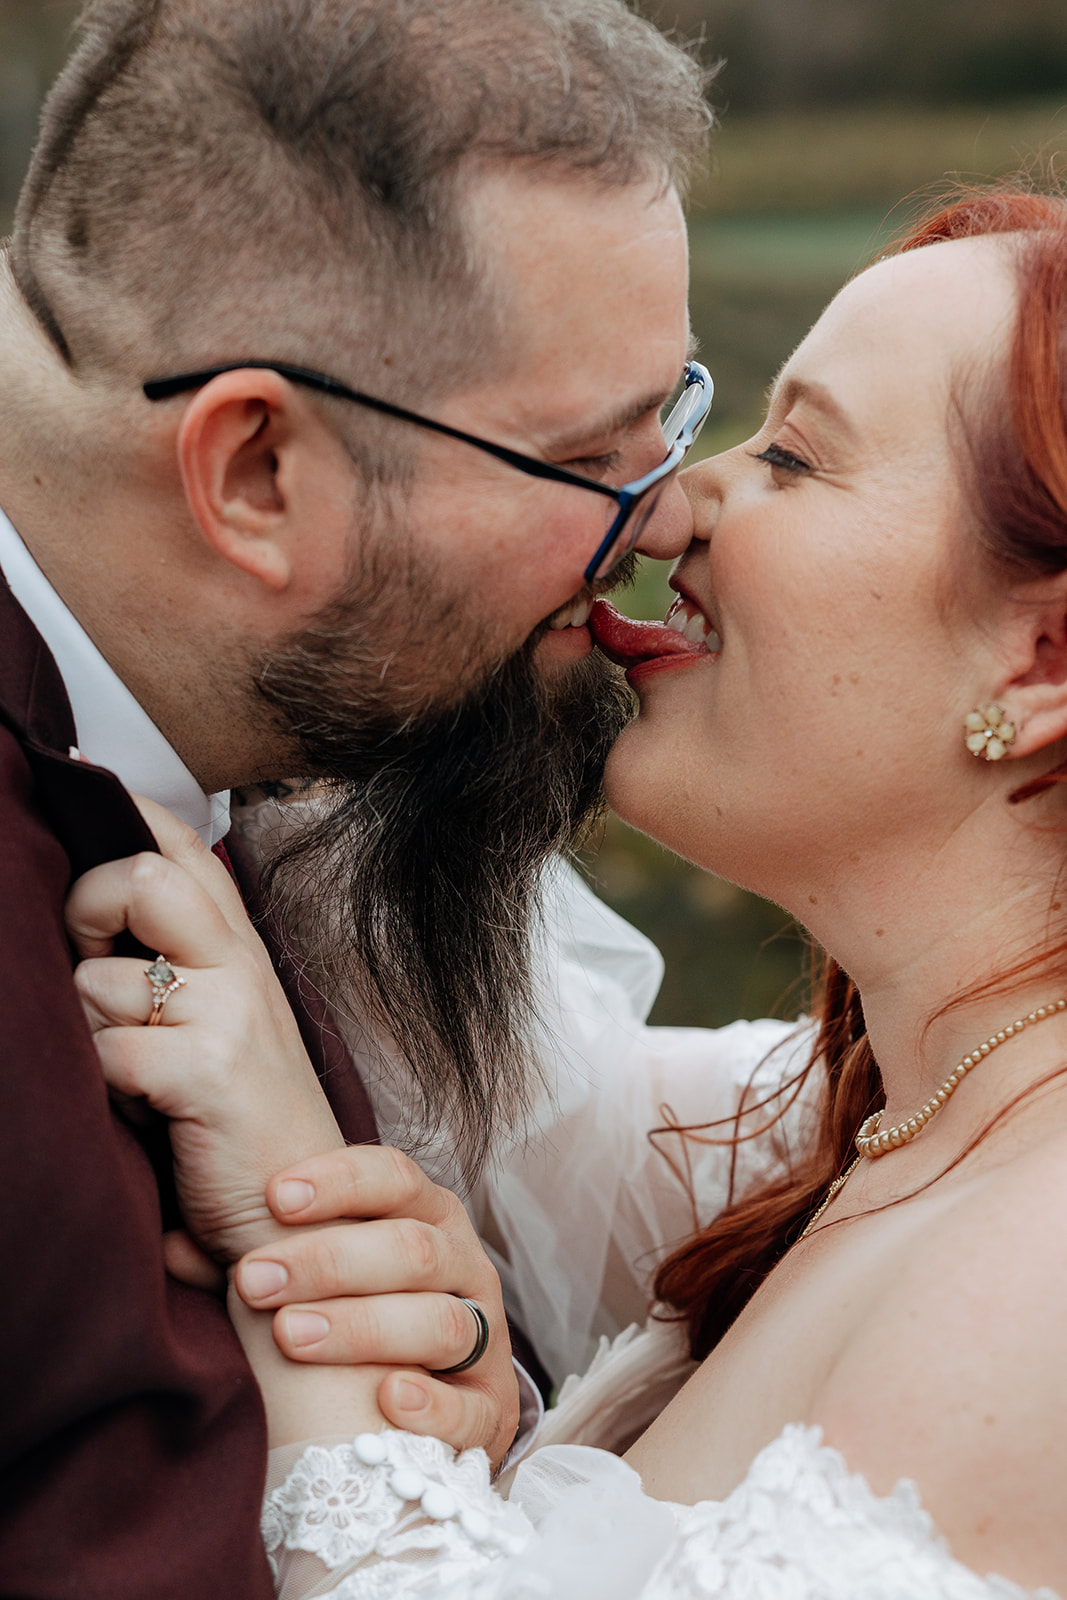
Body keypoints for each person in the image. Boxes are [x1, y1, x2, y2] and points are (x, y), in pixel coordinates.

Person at [77, 184, 1067, 1597]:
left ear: (1040, 666)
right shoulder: (877, 1121)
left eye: (792, 455)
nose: (671, 507)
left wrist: (343, 1384)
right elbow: (507, 1102)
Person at [0, 2, 749, 1594]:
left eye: (670, 413)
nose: (669, 513)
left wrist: (460, 1413)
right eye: (591, 459)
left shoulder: (289, 755)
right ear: (257, 472)